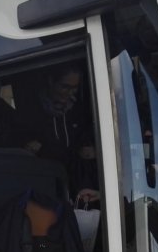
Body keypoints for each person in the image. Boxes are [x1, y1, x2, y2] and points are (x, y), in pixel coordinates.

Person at [12, 64, 100, 204]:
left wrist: (95, 151)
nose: (70, 93)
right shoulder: (31, 114)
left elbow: (85, 145)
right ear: (51, 82)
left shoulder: (80, 112)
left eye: (75, 88)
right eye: (65, 87)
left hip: (78, 190)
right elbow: (29, 151)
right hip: (44, 189)